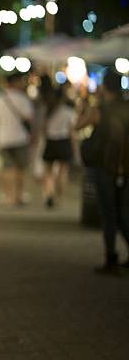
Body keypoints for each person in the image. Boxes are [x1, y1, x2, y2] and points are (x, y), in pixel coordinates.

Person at [75, 70, 129, 275]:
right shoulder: (127, 106)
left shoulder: (100, 110)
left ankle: (110, 258)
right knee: (124, 213)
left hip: (105, 166)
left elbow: (78, 126)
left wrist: (86, 105)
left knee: (109, 214)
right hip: (126, 166)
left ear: (104, 86)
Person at [0, 72, 34, 206]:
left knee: (6, 168)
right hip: (20, 138)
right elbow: (29, 119)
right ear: (15, 82)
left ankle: (8, 196)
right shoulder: (23, 98)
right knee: (20, 168)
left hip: (3, 138)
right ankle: (18, 196)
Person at [39, 77, 76, 208]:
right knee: (62, 172)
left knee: (48, 171)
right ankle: (58, 197)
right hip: (64, 142)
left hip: (50, 141)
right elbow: (72, 132)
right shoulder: (69, 111)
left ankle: (48, 193)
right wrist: (74, 148)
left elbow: (43, 129)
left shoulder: (47, 110)